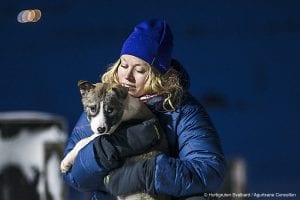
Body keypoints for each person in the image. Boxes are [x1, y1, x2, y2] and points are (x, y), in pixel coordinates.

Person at [62, 19, 226, 200]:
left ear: (159, 76)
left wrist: (150, 173)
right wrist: (101, 152)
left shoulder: (183, 111)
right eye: (123, 65)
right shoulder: (102, 103)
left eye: (140, 70)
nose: (127, 76)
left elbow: (209, 172)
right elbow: (73, 177)